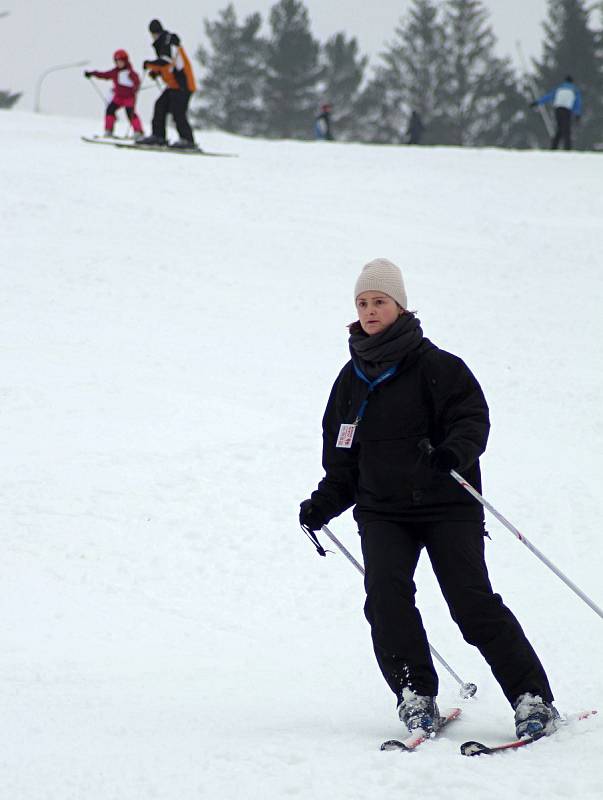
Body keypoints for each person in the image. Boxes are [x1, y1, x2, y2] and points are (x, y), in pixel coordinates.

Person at [299, 258, 559, 740]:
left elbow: (471, 419)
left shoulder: (439, 366)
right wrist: (323, 503)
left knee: (471, 603)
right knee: (386, 600)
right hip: (383, 511)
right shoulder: (350, 382)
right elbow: (342, 460)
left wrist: (453, 453)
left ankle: (532, 698)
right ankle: (414, 695)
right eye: (362, 303)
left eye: (380, 301)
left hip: (446, 506)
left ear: (400, 306)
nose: (370, 310)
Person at [138, 19, 197, 150]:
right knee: (160, 106)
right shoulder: (165, 42)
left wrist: (150, 65)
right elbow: (170, 66)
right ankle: (158, 137)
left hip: (183, 85)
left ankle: (188, 140)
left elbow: (166, 61)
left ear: (153, 33)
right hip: (174, 85)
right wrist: (157, 73)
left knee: (178, 113)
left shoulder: (167, 42)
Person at [85, 50, 144, 138]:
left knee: (130, 113)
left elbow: (137, 82)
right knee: (110, 110)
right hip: (118, 97)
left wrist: (135, 87)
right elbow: (104, 75)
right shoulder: (115, 72)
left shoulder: (130, 73)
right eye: (117, 61)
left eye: (121, 61)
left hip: (129, 98)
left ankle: (138, 132)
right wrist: (92, 74)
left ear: (125, 61)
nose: (119, 63)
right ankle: (108, 131)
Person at [530, 75, 582, 151]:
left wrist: (537, 102)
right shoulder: (575, 90)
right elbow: (577, 103)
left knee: (560, 128)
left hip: (558, 110)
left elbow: (548, 97)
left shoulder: (559, 88)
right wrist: (577, 114)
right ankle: (567, 148)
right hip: (567, 110)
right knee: (566, 129)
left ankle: (554, 147)